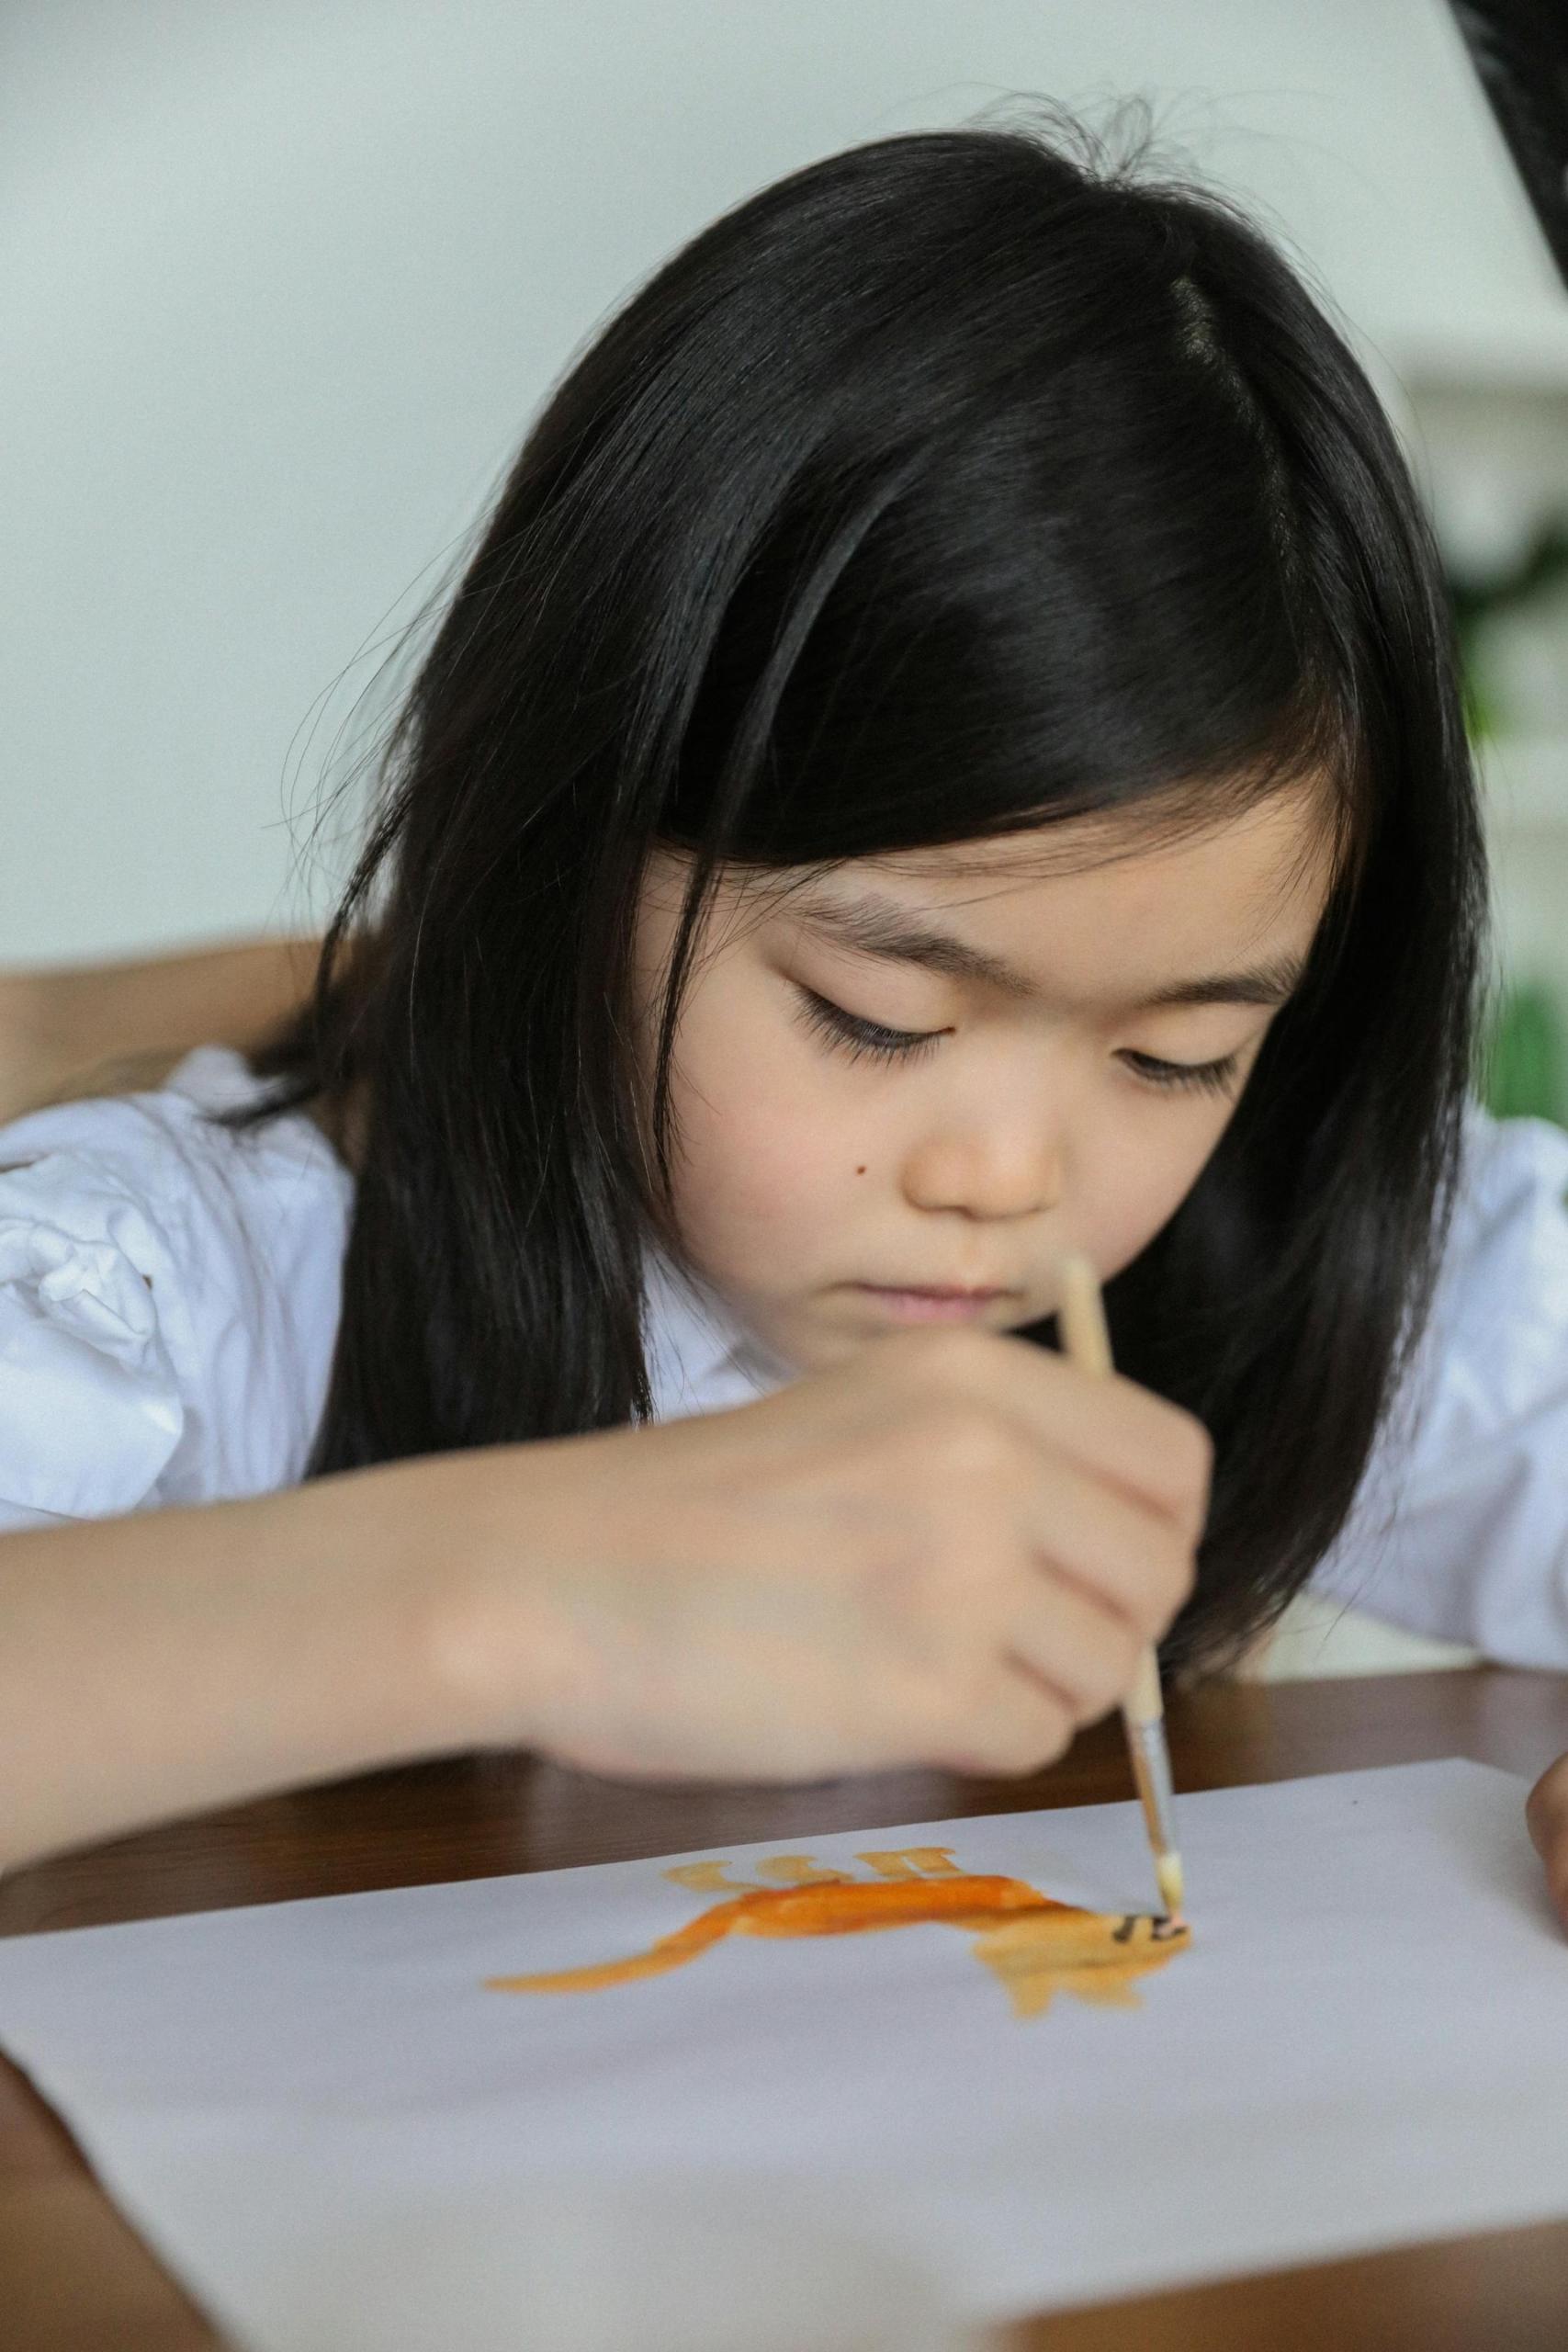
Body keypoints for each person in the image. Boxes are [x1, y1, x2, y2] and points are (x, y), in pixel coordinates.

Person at [3, 114, 1556, 1902]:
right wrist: (507, 1585)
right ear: (567, 847)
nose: (1003, 1171)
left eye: (1172, 1053)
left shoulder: (1304, 1259)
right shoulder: (191, 1286)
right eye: (876, 1016)